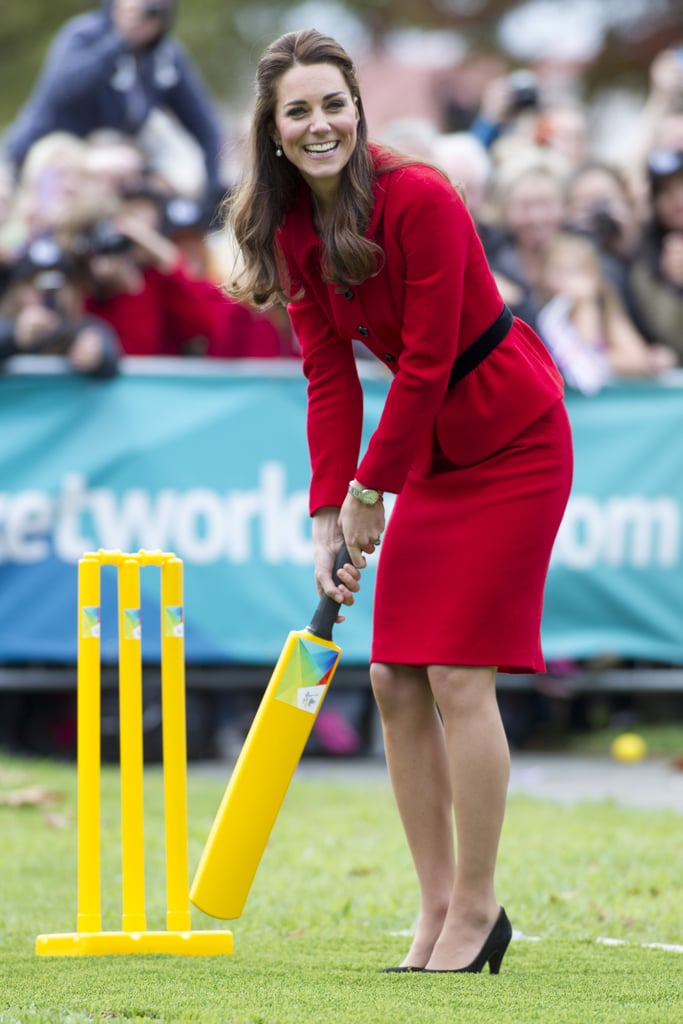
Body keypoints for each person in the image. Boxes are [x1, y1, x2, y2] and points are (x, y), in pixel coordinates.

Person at [225, 29, 573, 974]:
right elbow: (327, 379)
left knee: (458, 675)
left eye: (332, 102)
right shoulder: (290, 227)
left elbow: (421, 364)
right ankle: (432, 909)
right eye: (297, 110)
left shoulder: (418, 195)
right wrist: (324, 515)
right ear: (275, 129)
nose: (319, 122)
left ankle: (477, 906)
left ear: (356, 108)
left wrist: (372, 489)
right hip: (426, 455)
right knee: (390, 677)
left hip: (510, 439)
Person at [3, 0, 225, 211]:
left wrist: (212, 191)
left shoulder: (165, 59)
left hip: (107, 173)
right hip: (44, 162)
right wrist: (121, 41)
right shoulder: (83, 36)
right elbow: (61, 91)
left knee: (153, 188)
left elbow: (206, 128)